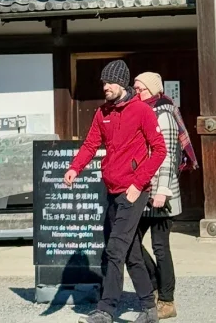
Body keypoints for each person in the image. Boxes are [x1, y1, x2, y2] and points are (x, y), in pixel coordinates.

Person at [63, 60, 167, 323]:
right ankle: (149, 308)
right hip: (112, 190)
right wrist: (75, 167)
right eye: (104, 82)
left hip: (133, 192)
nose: (105, 87)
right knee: (131, 252)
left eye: (110, 82)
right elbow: (90, 144)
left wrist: (138, 184)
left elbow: (159, 150)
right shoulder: (103, 112)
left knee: (114, 250)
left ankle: (106, 310)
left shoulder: (142, 110)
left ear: (121, 83)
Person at [133, 71, 195, 320]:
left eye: (140, 89)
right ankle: (156, 285)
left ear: (153, 89)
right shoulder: (143, 111)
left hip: (162, 194)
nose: (137, 92)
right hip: (143, 190)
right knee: (130, 243)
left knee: (160, 247)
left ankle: (167, 301)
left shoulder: (164, 114)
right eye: (135, 88)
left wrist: (161, 191)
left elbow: (167, 155)